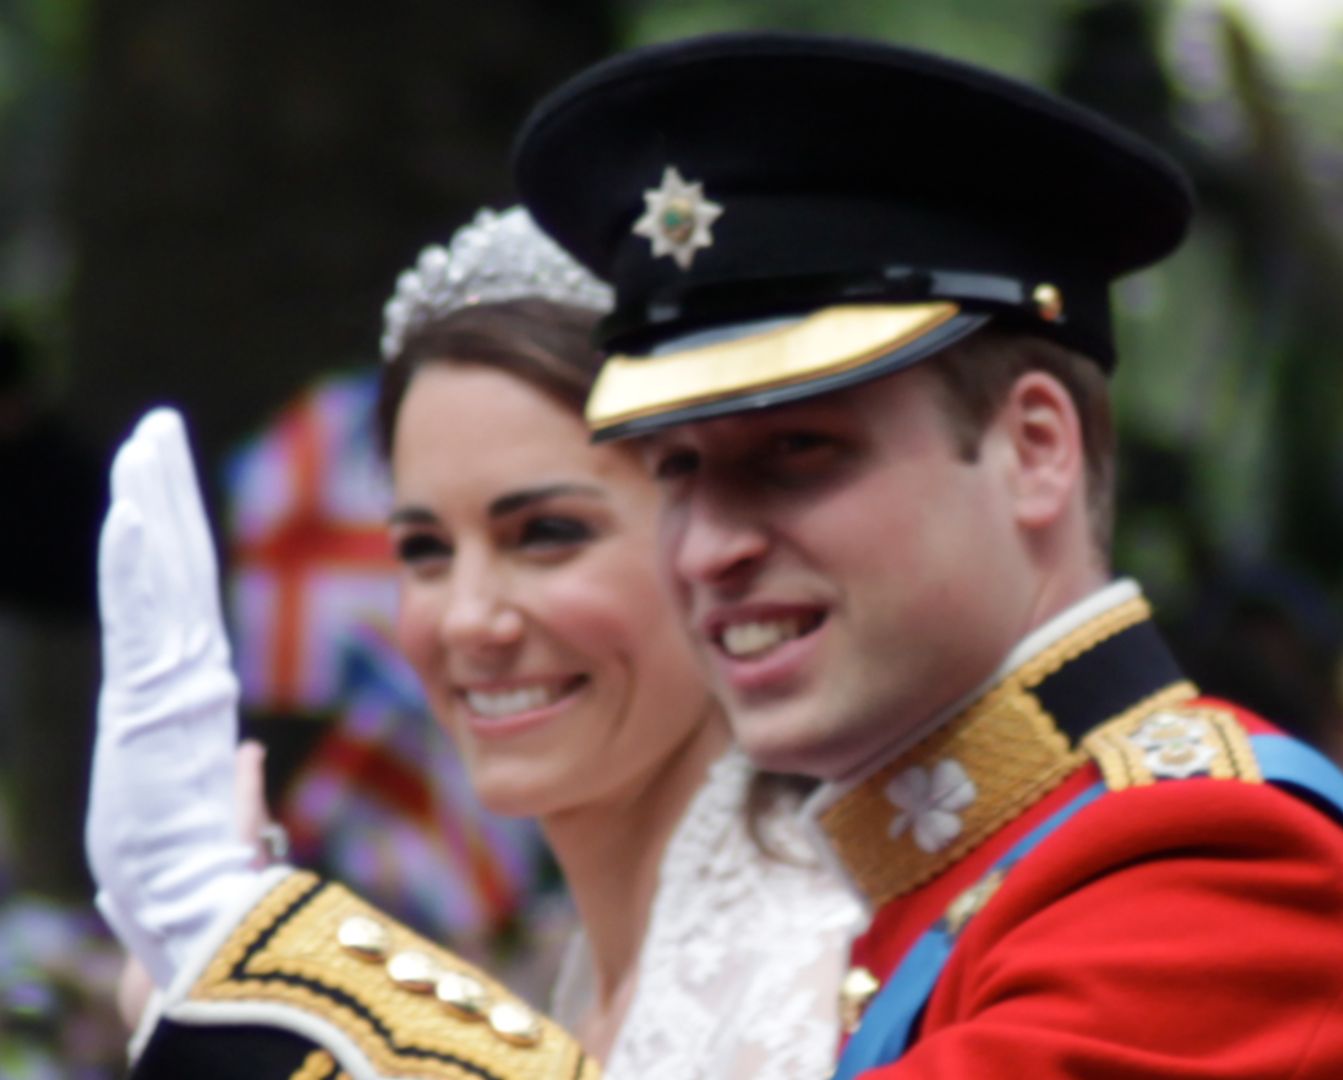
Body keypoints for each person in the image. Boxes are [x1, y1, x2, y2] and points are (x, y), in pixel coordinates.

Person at [95, 33, 1343, 1079]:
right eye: (675, 473)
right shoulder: (945, 885)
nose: (713, 545)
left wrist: (267, 969)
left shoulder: (1218, 876)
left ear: (1035, 448)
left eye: (798, 454)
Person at [89, 207, 855, 1078]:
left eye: (547, 533)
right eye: (424, 550)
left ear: (710, 537)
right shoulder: (584, 975)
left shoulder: (819, 963)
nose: (468, 619)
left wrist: (257, 976)